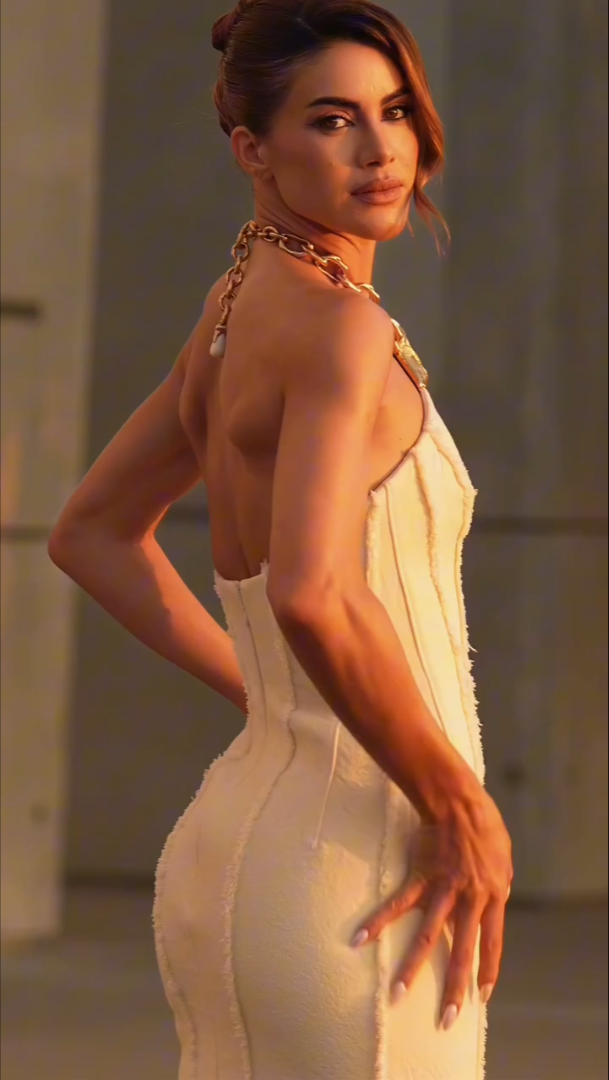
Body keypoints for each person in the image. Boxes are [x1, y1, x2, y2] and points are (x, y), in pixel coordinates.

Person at [48, 1, 514, 1077]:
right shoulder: (344, 328)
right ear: (252, 150)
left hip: (246, 844)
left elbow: (92, 533)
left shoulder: (236, 306)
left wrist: (271, 697)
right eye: (332, 120)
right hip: (359, 864)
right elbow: (312, 590)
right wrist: (457, 802)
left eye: (394, 111)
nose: (379, 149)